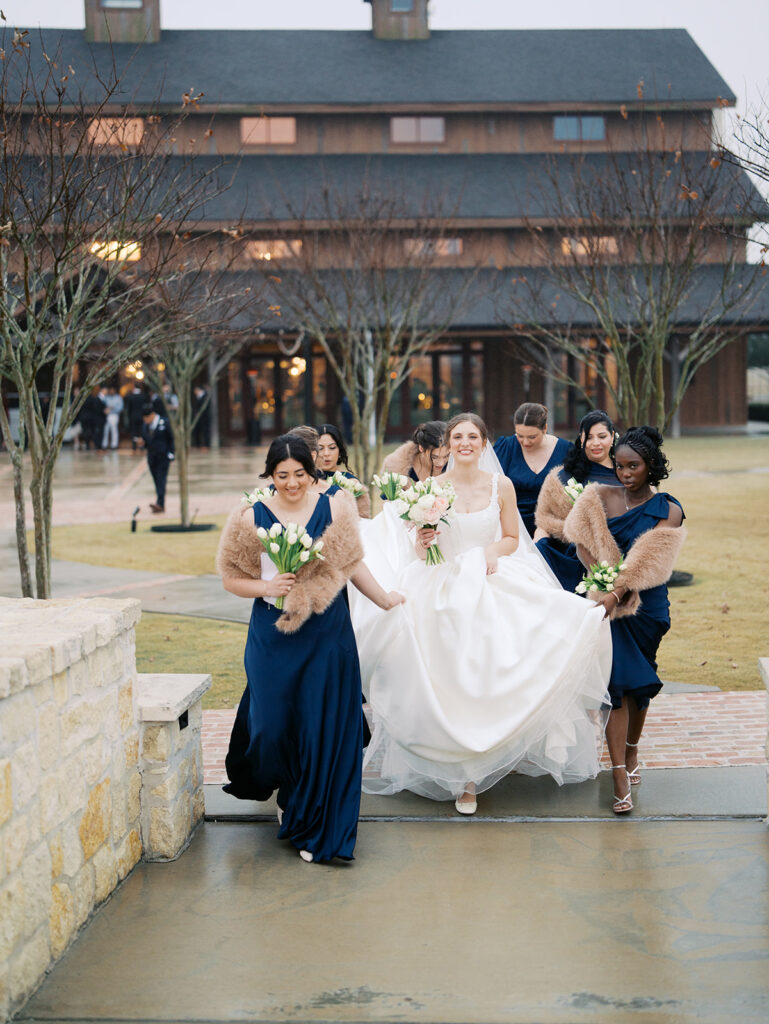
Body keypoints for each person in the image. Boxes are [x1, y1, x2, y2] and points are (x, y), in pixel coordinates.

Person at [351, 413, 611, 815]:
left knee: (496, 669)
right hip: (440, 584)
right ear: (449, 444)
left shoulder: (500, 485)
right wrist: (425, 539)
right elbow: (421, 551)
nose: (465, 443)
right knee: (451, 678)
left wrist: (489, 554)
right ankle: (464, 776)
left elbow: (511, 537)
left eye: (473, 436)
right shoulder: (432, 488)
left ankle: (493, 754)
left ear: (484, 441)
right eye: (458, 436)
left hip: (490, 578)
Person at [216, 435, 403, 863]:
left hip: (325, 631)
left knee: (322, 728)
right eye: (282, 475)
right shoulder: (250, 516)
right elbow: (230, 577)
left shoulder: (336, 506)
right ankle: (286, 788)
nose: (292, 483)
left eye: (299, 473)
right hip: (273, 633)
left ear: (312, 470)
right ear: (270, 475)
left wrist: (383, 598)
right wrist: (266, 585)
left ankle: (315, 822)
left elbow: (351, 563)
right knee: (272, 725)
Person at [563, 426, 686, 814]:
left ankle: (632, 751)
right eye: (618, 466)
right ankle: (618, 772)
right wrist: (598, 573)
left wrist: (616, 592)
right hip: (606, 607)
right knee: (616, 687)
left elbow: (648, 563)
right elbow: (579, 539)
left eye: (633, 466)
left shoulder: (669, 509)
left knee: (641, 687)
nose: (624, 473)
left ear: (652, 467)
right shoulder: (596, 496)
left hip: (645, 608)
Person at [534, 410, 622, 591]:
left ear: (612, 437)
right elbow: (543, 519)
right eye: (589, 437)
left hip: (616, 557)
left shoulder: (626, 475)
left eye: (602, 436)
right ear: (581, 440)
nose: (595, 443)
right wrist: (536, 549)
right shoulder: (561, 477)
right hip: (569, 556)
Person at [494, 402, 571, 538]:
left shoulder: (566, 451)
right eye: (520, 436)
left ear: (545, 429)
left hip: (553, 529)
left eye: (532, 437)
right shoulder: (506, 448)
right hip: (511, 527)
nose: (525, 442)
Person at [316, 422, 370, 518]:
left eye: (332, 448)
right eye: (320, 448)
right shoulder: (305, 478)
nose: (326, 453)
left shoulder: (350, 482)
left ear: (340, 450)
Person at [381, 421, 448, 482]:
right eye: (434, 457)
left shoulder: (453, 466)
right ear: (421, 448)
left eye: (446, 456)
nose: (441, 463)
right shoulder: (396, 471)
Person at [141, 403, 174, 513]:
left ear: (152, 415)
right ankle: (159, 501)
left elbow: (171, 438)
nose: (146, 420)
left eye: (147, 418)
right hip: (152, 457)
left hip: (163, 456)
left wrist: (171, 453)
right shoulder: (145, 426)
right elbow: (146, 440)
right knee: (156, 479)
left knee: (161, 479)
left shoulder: (164, 422)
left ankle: (160, 503)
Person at [125, 383, 147, 453]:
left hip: (133, 417)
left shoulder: (131, 397)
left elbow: (129, 408)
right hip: (141, 416)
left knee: (134, 432)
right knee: (141, 432)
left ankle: (134, 446)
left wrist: (129, 416)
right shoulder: (143, 396)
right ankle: (141, 446)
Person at [101, 386, 124, 450]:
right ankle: (104, 444)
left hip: (114, 415)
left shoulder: (118, 398)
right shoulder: (106, 397)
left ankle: (114, 445)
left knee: (114, 430)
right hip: (106, 416)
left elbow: (121, 407)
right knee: (105, 430)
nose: (111, 391)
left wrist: (113, 408)